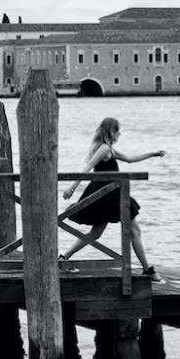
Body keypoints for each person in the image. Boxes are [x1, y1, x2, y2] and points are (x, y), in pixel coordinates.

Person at [59, 116, 165, 281]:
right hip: (109, 196)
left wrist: (152, 154)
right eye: (118, 131)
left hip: (108, 195)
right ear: (111, 131)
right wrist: (72, 187)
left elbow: (130, 159)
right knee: (134, 230)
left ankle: (64, 257)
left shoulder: (109, 149)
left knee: (96, 233)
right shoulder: (104, 149)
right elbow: (88, 167)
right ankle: (147, 270)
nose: (119, 134)